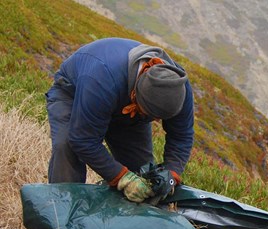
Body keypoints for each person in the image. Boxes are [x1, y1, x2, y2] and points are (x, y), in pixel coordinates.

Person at [45, 37, 194, 203]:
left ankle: (124, 225)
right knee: (66, 146)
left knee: (143, 178)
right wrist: (122, 177)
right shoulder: (102, 78)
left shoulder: (178, 88)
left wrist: (171, 174)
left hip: (126, 109)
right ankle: (62, 213)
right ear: (135, 95)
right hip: (74, 94)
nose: (155, 121)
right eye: (149, 114)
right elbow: (83, 140)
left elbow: (182, 136)